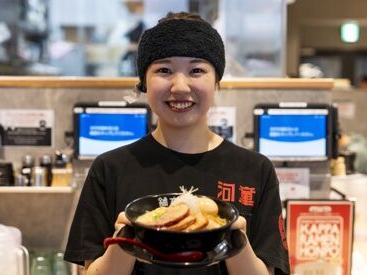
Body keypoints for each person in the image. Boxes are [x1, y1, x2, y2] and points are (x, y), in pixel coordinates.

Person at [64, 11, 290, 275]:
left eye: (196, 70)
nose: (180, 86)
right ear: (143, 83)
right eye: (164, 70)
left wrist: (235, 240)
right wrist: (126, 238)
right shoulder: (110, 169)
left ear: (216, 81)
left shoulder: (255, 170)